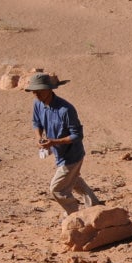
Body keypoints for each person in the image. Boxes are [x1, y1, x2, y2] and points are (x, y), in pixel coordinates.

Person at [26, 72, 99, 214]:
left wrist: (54, 142)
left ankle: (73, 213)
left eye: (39, 91)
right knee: (73, 180)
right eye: (33, 91)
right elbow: (37, 123)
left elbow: (77, 135)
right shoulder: (38, 104)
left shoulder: (65, 109)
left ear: (49, 89)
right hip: (59, 153)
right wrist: (38, 138)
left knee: (57, 188)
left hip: (72, 155)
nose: (36, 94)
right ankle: (95, 205)